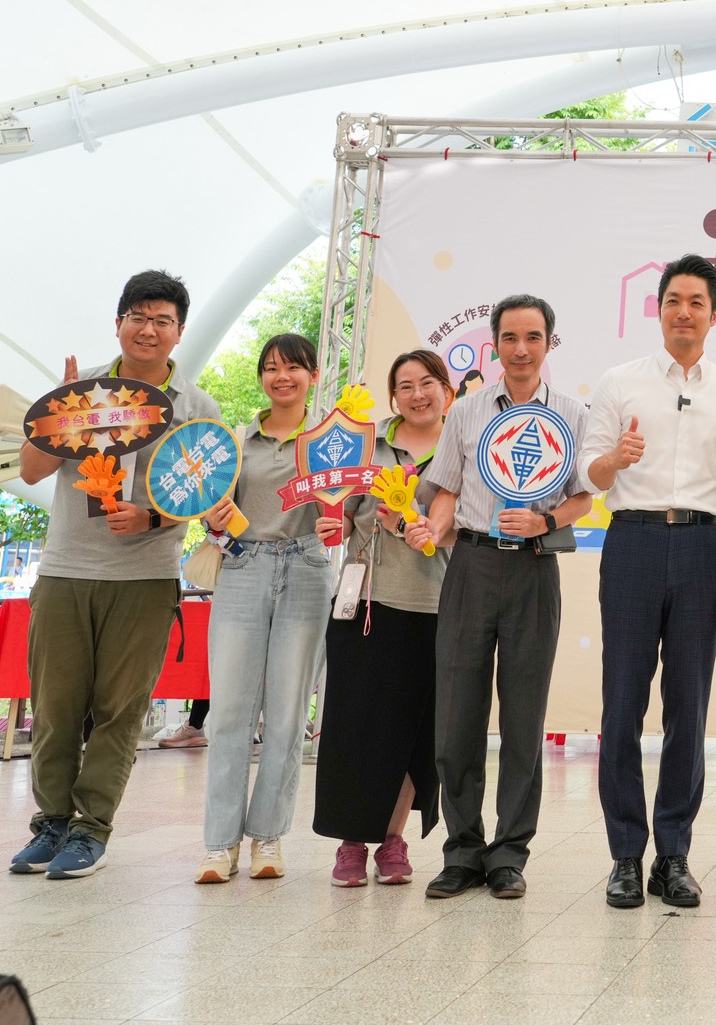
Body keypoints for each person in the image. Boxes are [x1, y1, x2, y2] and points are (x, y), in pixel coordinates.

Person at [10, 269, 222, 879]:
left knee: (119, 710)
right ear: (119, 323)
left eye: (163, 320)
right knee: (54, 706)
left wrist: (151, 515)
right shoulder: (81, 392)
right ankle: (49, 824)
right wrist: (61, 412)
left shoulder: (195, 408)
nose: (148, 329)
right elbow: (29, 471)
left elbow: (204, 491)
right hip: (65, 570)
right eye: (139, 316)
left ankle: (90, 828)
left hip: (147, 578)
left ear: (178, 333)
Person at [578, 254, 716, 909]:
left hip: (703, 550)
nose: (684, 311)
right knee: (621, 703)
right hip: (631, 541)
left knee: (689, 708)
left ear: (714, 312)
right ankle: (625, 855)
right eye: (673, 300)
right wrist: (611, 459)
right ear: (658, 309)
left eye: (696, 302)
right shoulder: (619, 382)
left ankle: (672, 855)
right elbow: (586, 473)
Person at [413, 296, 592, 900]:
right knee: (457, 713)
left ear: (549, 344)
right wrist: (432, 530)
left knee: (524, 716)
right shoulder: (465, 412)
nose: (521, 348)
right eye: (510, 337)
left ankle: (511, 851)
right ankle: (462, 849)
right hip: (471, 563)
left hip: (536, 571)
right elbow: (445, 490)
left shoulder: (571, 413)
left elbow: (582, 499)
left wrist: (546, 521)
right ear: (494, 345)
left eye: (533, 337)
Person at [195, 333, 337, 884]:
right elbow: (211, 513)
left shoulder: (330, 441)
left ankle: (268, 839)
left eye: (293, 368)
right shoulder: (234, 441)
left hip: (306, 570)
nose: (282, 377)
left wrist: (338, 518)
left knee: (286, 713)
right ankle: (218, 844)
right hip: (242, 568)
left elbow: (346, 507)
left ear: (314, 375)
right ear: (261, 379)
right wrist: (213, 517)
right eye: (271, 368)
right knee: (229, 711)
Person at [314, 349, 454, 887]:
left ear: (446, 388)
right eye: (405, 386)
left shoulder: (465, 447)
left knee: (415, 733)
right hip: (365, 603)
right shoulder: (364, 444)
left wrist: (415, 523)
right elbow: (340, 516)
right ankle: (352, 841)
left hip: (438, 604)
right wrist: (332, 521)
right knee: (355, 726)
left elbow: (467, 526)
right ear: (393, 396)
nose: (417, 394)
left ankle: (392, 839)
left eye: (427, 383)